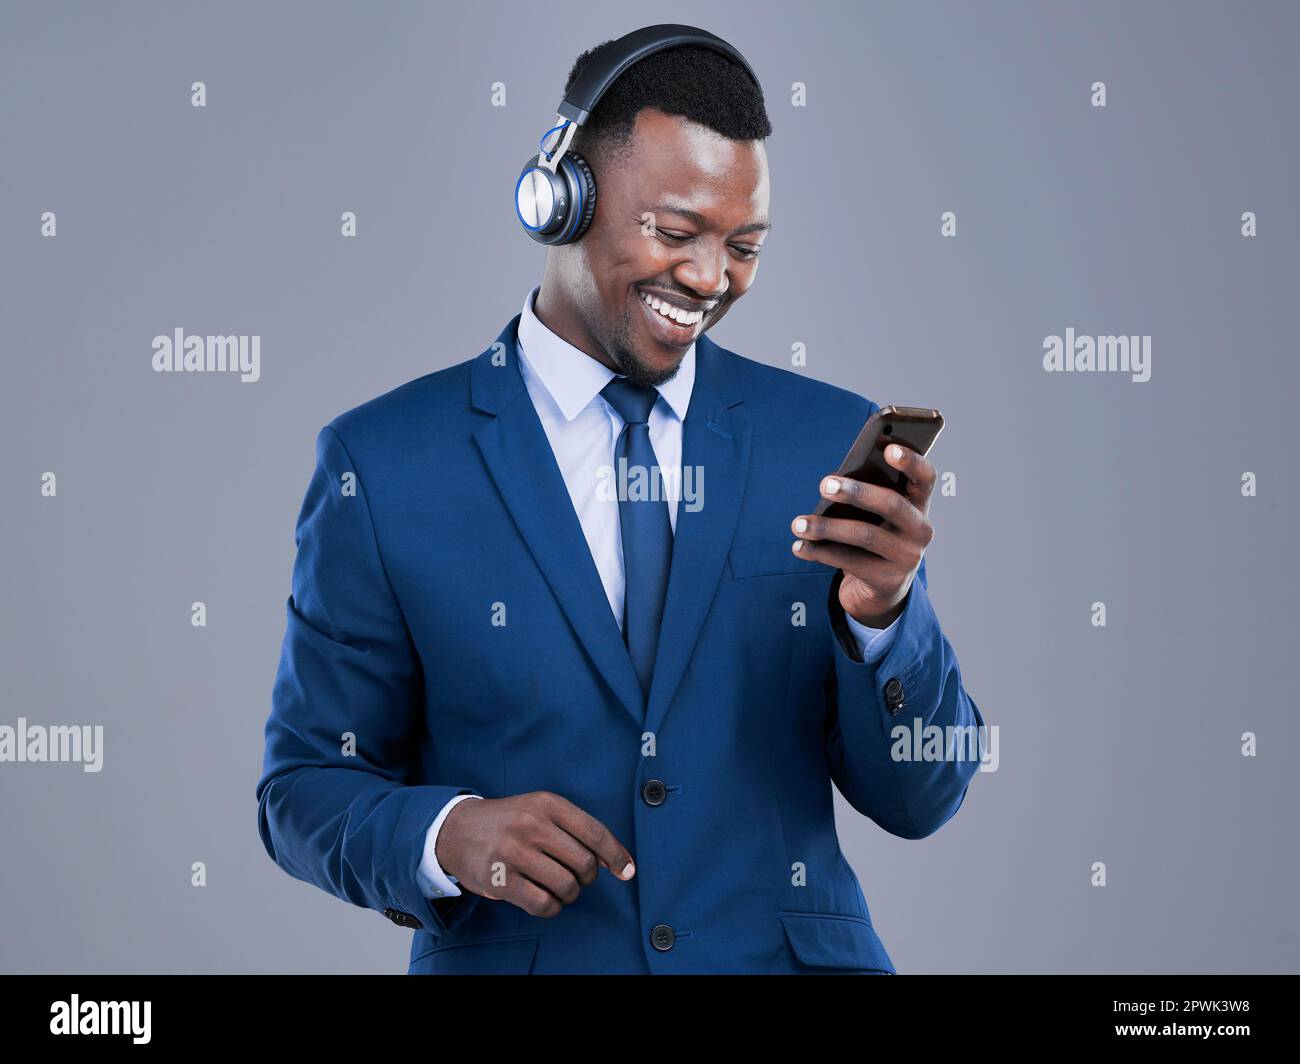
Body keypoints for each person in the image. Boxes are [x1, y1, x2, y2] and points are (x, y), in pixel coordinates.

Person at [257, 24, 985, 975]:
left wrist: (883, 619)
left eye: (744, 246)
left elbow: (922, 797)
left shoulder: (824, 443)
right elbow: (304, 788)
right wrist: (445, 834)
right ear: (561, 201)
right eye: (676, 233)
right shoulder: (383, 463)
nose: (709, 278)